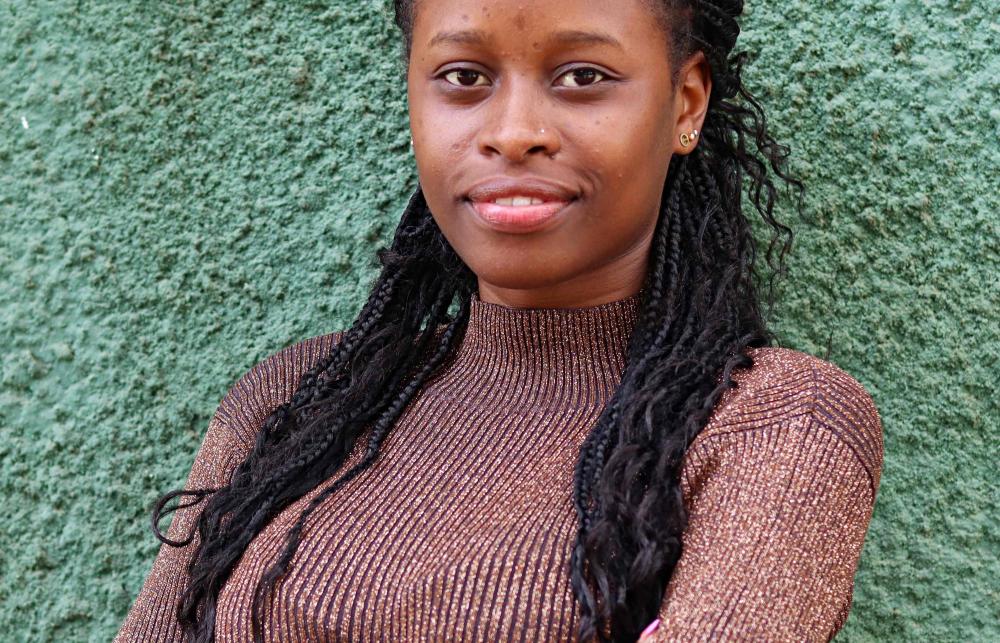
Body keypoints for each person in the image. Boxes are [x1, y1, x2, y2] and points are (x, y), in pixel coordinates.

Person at [114, 0, 883, 641]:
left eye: (583, 77)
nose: (514, 130)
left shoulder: (773, 428)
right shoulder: (294, 402)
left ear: (685, 103)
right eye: (463, 77)